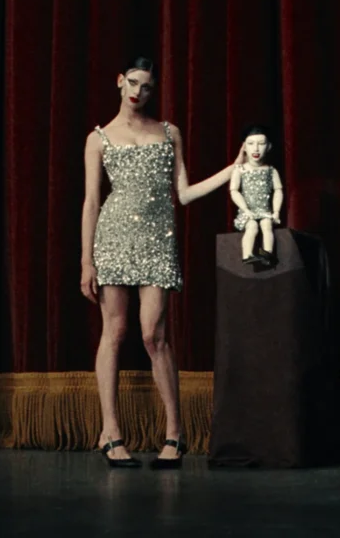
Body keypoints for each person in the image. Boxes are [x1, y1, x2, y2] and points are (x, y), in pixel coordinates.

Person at [80, 56, 242, 469]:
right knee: (115, 332)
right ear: (120, 81)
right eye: (133, 82)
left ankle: (175, 433)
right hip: (113, 237)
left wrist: (233, 169)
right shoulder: (99, 138)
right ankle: (110, 432)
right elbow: (92, 201)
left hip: (157, 240)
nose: (139, 91)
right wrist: (86, 261)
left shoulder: (169, 132)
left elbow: (183, 194)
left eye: (147, 86)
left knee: (154, 335)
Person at [229, 125, 284, 265]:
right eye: (251, 144)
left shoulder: (271, 171)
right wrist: (245, 209)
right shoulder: (240, 170)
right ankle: (247, 255)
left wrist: (276, 211)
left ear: (269, 146)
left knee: (267, 225)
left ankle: (267, 254)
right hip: (247, 212)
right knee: (252, 226)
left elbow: (278, 190)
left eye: (261, 144)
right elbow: (234, 191)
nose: (256, 148)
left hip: (265, 211)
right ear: (244, 147)